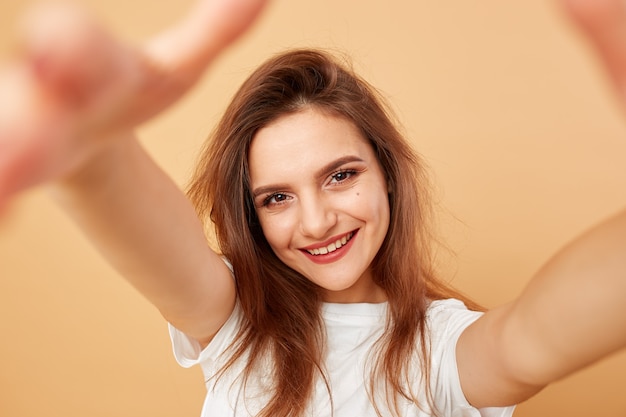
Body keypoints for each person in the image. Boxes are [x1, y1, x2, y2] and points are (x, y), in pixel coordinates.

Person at [0, 0, 625, 416]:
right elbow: (136, 216)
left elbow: (535, 337)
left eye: (340, 175)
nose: (317, 221)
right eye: (276, 197)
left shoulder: (441, 352)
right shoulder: (234, 321)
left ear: (388, 176)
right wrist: (92, 149)